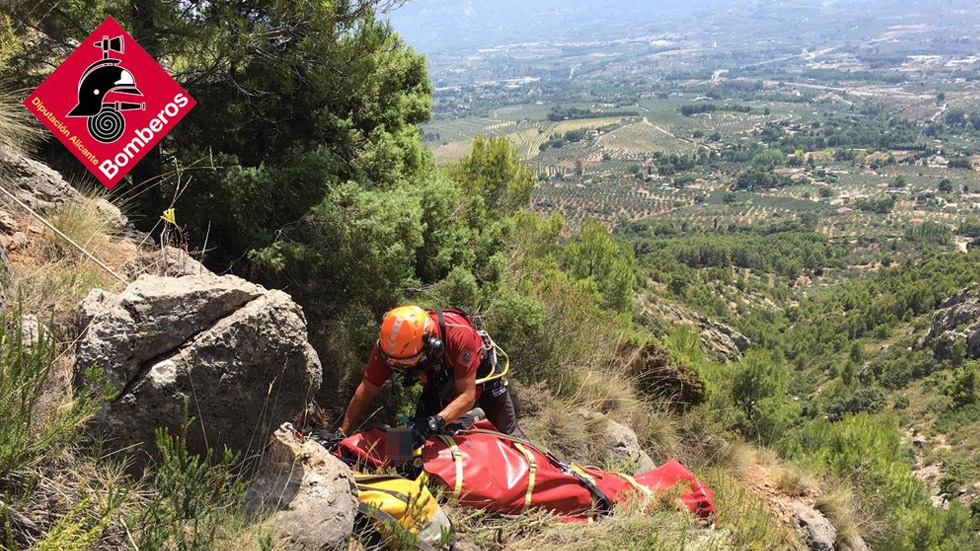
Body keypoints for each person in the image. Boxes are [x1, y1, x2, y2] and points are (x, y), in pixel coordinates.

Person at [338, 305, 527, 447]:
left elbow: (467, 396)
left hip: (480, 377)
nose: (399, 367)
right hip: (437, 380)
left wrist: (435, 422)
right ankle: (468, 420)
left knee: (509, 431)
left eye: (406, 364)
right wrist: (341, 433)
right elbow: (366, 390)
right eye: (396, 364)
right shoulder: (389, 346)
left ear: (431, 345)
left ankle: (549, 469)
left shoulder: (459, 335)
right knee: (415, 438)